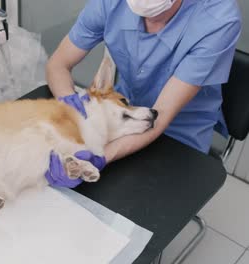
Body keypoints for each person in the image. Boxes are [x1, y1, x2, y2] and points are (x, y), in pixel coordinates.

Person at [44, 0, 242, 188]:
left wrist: (101, 156)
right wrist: (71, 107)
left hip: (179, 133)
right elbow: (58, 64)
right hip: (126, 109)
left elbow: (160, 115)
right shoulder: (112, 4)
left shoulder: (217, 19)